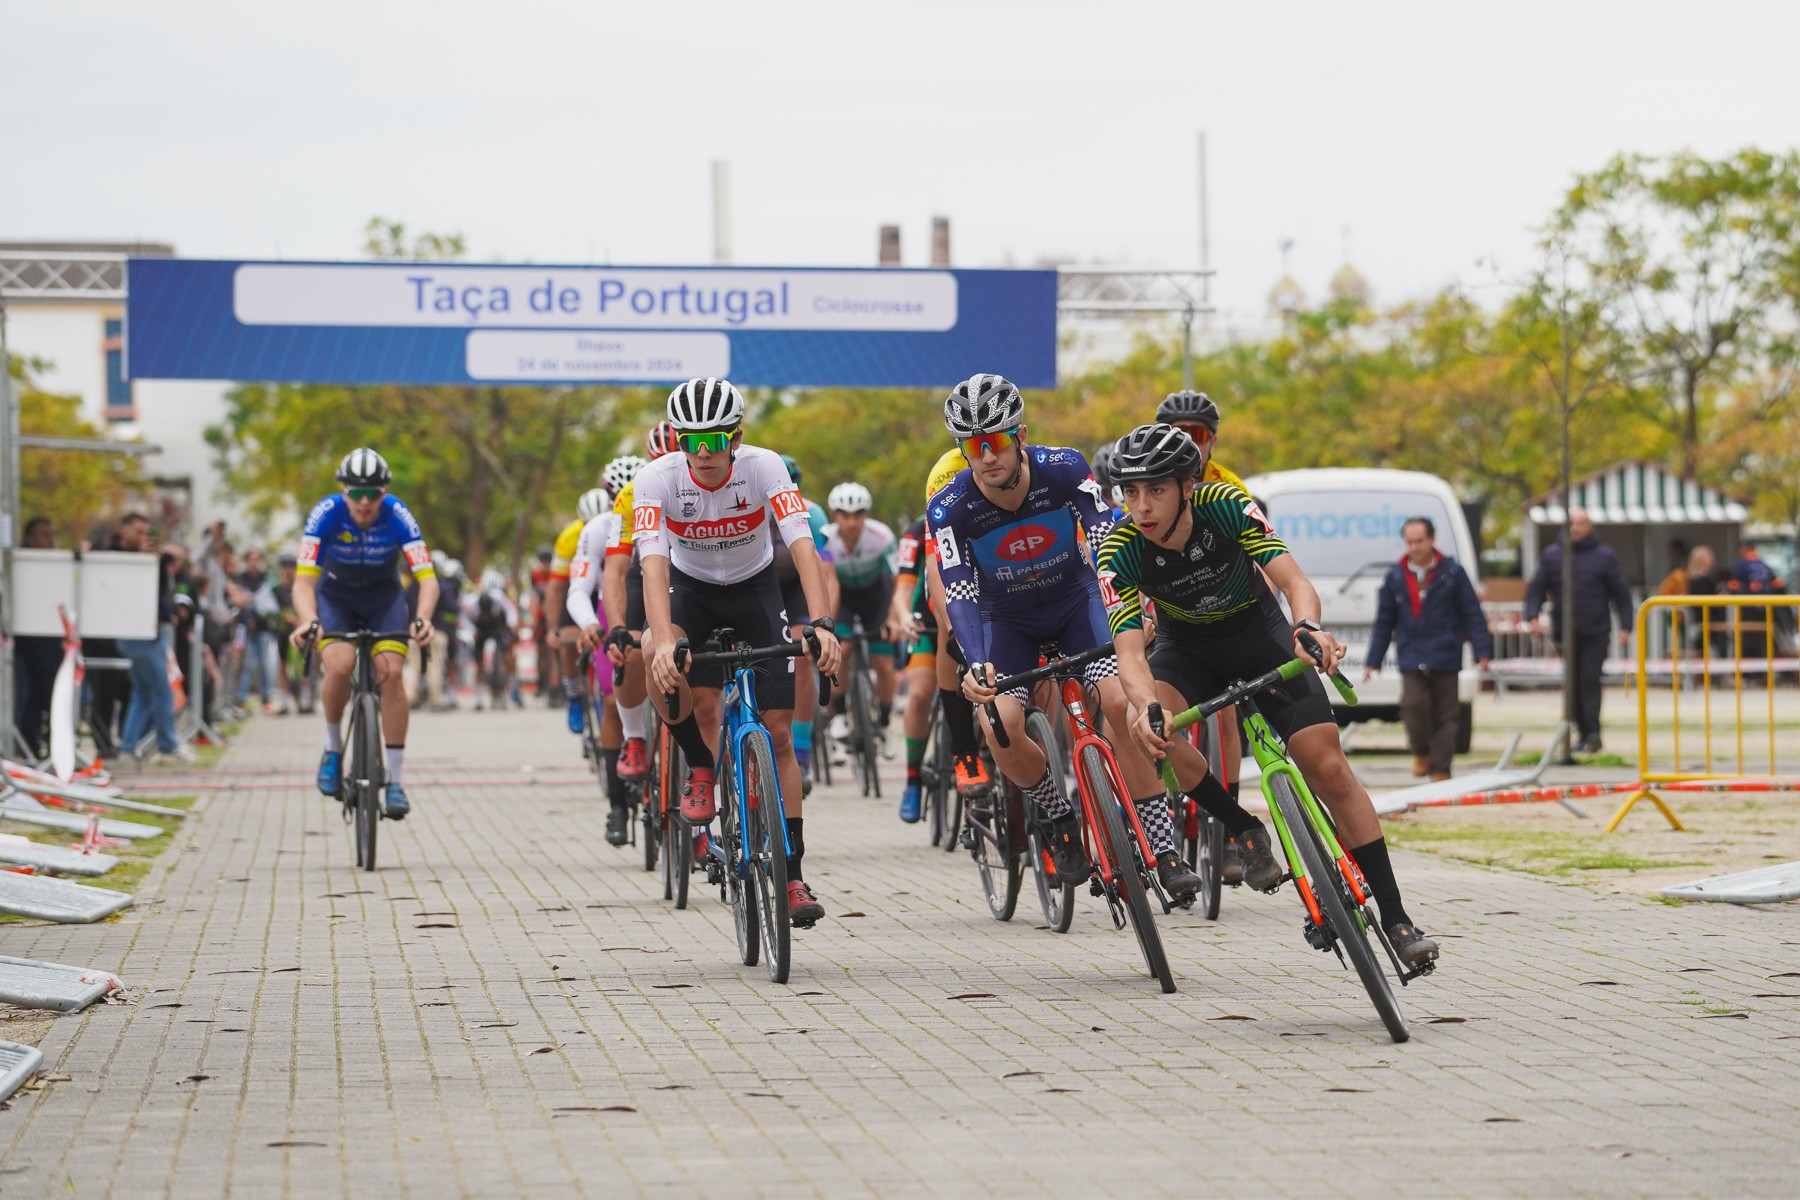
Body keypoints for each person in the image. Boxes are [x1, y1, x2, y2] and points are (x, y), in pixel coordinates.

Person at [1099, 423, 1441, 969]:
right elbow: (1130, 653)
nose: (1141, 506)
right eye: (1130, 492)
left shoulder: (1226, 505)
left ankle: (1397, 917)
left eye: (1156, 489)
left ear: (1188, 485)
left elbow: (1295, 582)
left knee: (1326, 765)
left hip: (1260, 637)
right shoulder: (1119, 548)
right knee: (1145, 729)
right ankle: (1240, 825)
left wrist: (1308, 627)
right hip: (1187, 650)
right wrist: (1145, 706)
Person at [929, 376, 1202, 902]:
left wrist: (1132, 608)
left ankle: (1163, 850)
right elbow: (959, 591)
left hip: (1077, 604)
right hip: (1005, 620)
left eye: (996, 442)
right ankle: (1056, 817)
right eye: (971, 446)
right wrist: (976, 663)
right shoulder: (950, 507)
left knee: (1123, 703)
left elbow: (1106, 540)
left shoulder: (1064, 469)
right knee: (999, 725)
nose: (985, 457)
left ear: (1020, 435)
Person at [635, 377, 841, 925]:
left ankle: (793, 876)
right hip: (691, 589)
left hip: (755, 590)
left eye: (716, 441)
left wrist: (821, 624)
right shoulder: (655, 477)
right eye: (691, 442)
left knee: (777, 738)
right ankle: (701, 765)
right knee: (660, 665)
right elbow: (652, 562)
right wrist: (661, 640)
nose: (703, 454)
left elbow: (802, 543)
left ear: (737, 437)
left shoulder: (764, 466)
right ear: (679, 440)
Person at [289, 448, 438, 819]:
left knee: (390, 673)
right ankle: (333, 748)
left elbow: (428, 579)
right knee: (338, 664)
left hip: (383, 599)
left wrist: (422, 618)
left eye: (374, 493)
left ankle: (396, 780)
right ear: (343, 491)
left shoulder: (398, 514)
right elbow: (304, 583)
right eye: (356, 493)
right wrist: (308, 620)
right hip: (335, 597)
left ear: (385, 493)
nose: (365, 501)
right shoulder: (325, 514)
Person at [1364, 516, 1492, 781]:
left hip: (1445, 651)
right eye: (1409, 542)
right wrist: (1372, 660)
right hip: (1411, 653)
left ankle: (1442, 768)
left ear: (1432, 540)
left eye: (1419, 541)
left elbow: (1472, 613)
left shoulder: (1452, 572)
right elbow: (1384, 621)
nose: (1415, 547)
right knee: (1413, 706)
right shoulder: (1395, 575)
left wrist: (1482, 652)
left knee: (1447, 714)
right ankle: (1421, 750)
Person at [1523, 507, 1633, 754]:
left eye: (1581, 523)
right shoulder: (1553, 555)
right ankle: (1580, 730)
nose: (1576, 528)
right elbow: (1536, 588)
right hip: (1565, 632)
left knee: (1589, 680)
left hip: (1595, 630)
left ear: (1590, 527)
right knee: (1572, 683)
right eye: (1572, 523)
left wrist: (1626, 624)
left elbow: (1620, 592)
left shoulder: (1605, 556)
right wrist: (1532, 615)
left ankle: (1592, 732)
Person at [769, 454, 836, 789]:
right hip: (759, 587)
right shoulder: (746, 506)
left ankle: (804, 753)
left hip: (795, 587)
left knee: (799, 654)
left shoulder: (812, 513)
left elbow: (825, 572)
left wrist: (825, 622)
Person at [822, 482, 899, 759]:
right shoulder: (826, 539)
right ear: (834, 515)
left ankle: (886, 723)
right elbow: (828, 584)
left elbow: (898, 581)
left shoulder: (881, 536)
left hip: (875, 599)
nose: (852, 521)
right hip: (842, 598)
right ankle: (840, 714)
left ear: (866, 514)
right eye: (844, 514)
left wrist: (893, 617)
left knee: (885, 664)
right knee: (841, 650)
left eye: (858, 514)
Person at [112, 513, 193, 763]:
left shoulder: (153, 561)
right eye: (137, 531)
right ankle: (168, 744)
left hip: (150, 630)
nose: (142, 538)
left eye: (147, 533)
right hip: (136, 633)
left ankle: (127, 747)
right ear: (123, 531)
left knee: (143, 693)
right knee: (162, 691)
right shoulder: (116, 556)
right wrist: (144, 561)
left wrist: (155, 561)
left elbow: (160, 591)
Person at [547, 487, 615, 734]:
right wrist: (553, 628)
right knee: (567, 639)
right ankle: (574, 693)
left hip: (608, 584)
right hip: (579, 584)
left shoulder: (617, 524)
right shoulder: (569, 538)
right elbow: (556, 587)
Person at [12, 517, 64, 759]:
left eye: (52, 534)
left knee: (51, 696)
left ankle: (52, 746)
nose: (50, 540)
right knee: (29, 695)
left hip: (52, 640)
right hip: (27, 642)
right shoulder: (22, 565)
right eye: (44, 534)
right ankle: (28, 745)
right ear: (29, 538)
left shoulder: (57, 565)